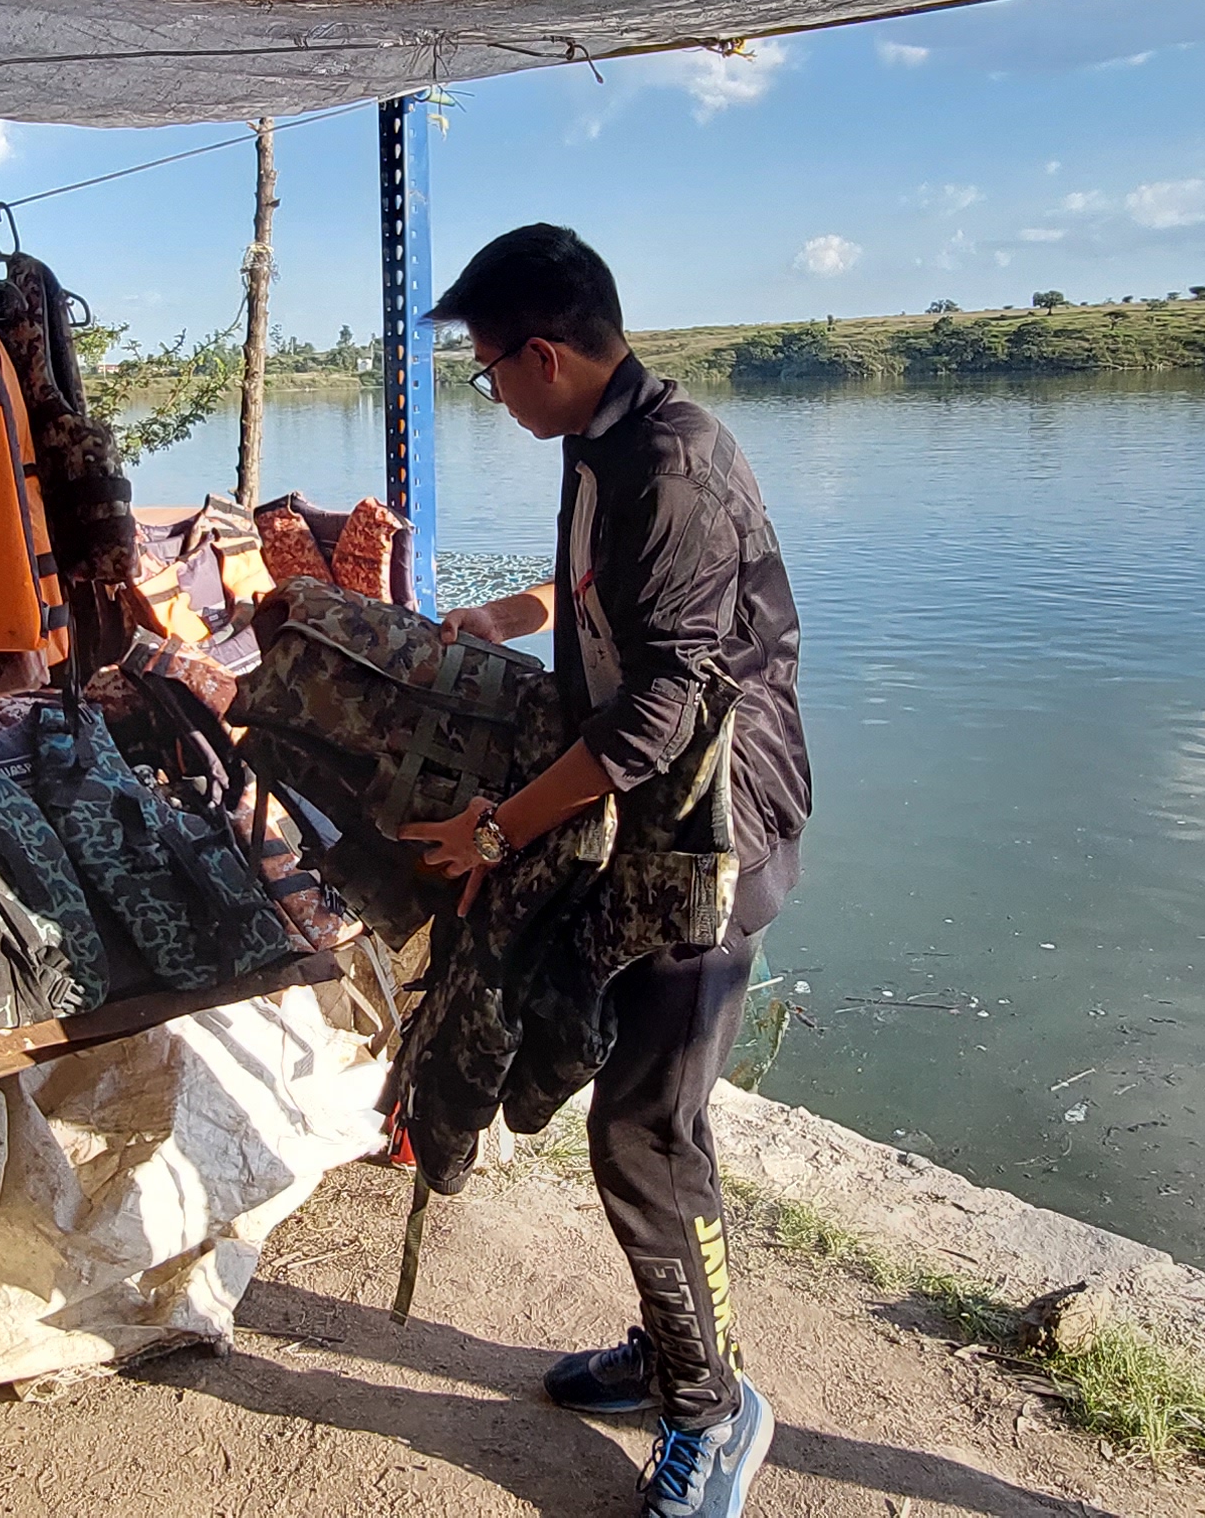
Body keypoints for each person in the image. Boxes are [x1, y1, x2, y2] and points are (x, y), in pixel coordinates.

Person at [398, 223, 810, 1518]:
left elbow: (659, 717)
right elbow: (603, 595)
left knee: (645, 1127)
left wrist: (496, 830)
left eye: (489, 371)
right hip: (648, 831)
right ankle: (671, 1341)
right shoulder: (602, 443)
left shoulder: (673, 463)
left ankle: (712, 1408)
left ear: (548, 354)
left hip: (714, 841)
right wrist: (507, 618)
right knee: (635, 1110)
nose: (493, 393)